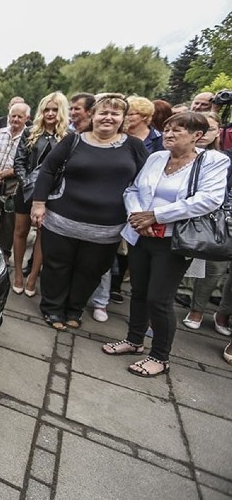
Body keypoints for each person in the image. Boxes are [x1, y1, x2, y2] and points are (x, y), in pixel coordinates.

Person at [104, 112, 228, 377]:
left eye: (178, 130)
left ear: (197, 136)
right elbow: (133, 190)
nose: (169, 134)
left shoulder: (211, 162)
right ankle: (134, 340)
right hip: (141, 235)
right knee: (138, 292)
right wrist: (137, 217)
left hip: (173, 243)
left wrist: (157, 216)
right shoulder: (157, 157)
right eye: (167, 129)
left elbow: (208, 200)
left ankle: (160, 357)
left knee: (159, 299)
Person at [31, 93, 148, 331]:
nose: (108, 117)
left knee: (91, 271)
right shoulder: (73, 141)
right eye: (103, 112)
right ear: (92, 115)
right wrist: (38, 203)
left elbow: (146, 181)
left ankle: (74, 310)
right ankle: (52, 309)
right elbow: (48, 171)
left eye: (115, 113)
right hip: (61, 221)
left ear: (123, 118)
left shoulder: (134, 146)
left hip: (106, 229)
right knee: (57, 266)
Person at [12, 92, 70, 296]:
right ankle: (18, 273)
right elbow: (19, 161)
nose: (50, 113)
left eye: (55, 109)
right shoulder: (30, 132)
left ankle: (33, 277)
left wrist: (49, 190)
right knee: (20, 232)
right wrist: (27, 183)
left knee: (42, 237)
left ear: (62, 111)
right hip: (26, 190)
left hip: (52, 195)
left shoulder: (68, 136)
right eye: (47, 109)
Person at [182, 112, 229, 331]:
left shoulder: (222, 157)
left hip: (219, 219)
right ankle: (196, 308)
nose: (202, 134)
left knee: (215, 268)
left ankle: (220, 313)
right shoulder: (173, 154)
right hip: (189, 217)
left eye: (210, 129)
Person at [0, 101, 29, 256]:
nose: (15, 119)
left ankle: (4, 253)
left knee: (9, 221)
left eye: (20, 117)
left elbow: (26, 163)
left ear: (27, 118)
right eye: (13, 116)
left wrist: (2, 174)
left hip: (14, 185)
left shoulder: (30, 136)